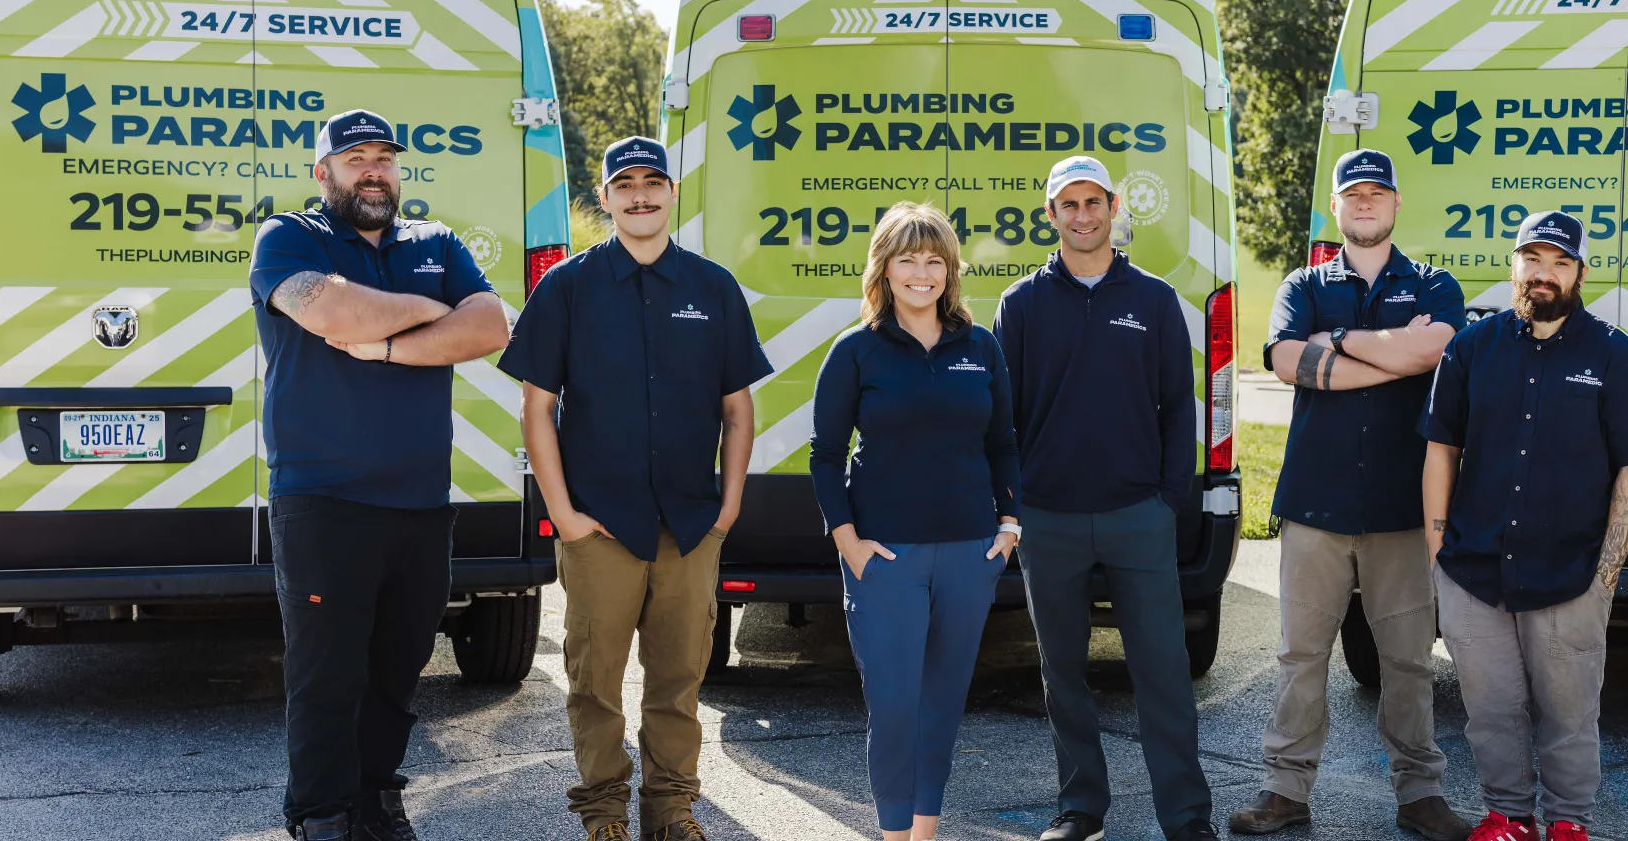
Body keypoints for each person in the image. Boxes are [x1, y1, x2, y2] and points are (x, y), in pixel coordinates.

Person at [497, 136, 770, 841]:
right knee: (594, 683)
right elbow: (537, 408)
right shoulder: (567, 287)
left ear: (673, 192)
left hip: (689, 523)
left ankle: (672, 810)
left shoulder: (712, 288)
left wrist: (729, 505)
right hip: (601, 527)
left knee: (679, 681)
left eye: (653, 182)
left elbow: (737, 410)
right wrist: (564, 514)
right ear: (605, 198)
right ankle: (604, 813)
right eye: (626, 185)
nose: (640, 195)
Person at [250, 109, 511, 841]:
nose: (373, 170)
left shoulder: (436, 241)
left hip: (421, 503)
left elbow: (491, 327)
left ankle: (375, 799)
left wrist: (390, 346)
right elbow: (334, 309)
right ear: (323, 172)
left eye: (384, 159)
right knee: (326, 674)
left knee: (399, 671)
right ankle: (322, 815)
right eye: (355, 157)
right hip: (322, 499)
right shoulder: (288, 239)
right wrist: (433, 313)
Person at [1228, 149, 1469, 841]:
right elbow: (1284, 361)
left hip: (1402, 507)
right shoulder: (1303, 284)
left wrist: (1336, 348)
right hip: (1316, 505)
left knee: (1409, 661)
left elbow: (1436, 351)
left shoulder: (1433, 284)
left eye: (1377, 193)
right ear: (1336, 207)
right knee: (1300, 655)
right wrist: (1388, 359)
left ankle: (1420, 795)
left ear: (1396, 204)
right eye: (1352, 194)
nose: (1365, 203)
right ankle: (1284, 791)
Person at [1421, 211, 1628, 841]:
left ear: (1580, 274)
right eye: (1533, 259)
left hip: (1572, 573)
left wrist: (1605, 578)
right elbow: (1440, 450)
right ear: (1514, 265)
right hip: (1473, 571)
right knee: (1490, 712)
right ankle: (1507, 817)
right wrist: (1437, 555)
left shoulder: (1618, 358)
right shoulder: (1471, 348)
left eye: (1561, 262)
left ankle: (1568, 823)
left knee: (1569, 714)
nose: (1545, 274)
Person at [993, 155, 1219, 841]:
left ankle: (1185, 816)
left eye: (1094, 202)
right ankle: (1081, 809)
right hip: (1050, 519)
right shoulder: (1022, 304)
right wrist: (1016, 504)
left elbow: (1180, 408)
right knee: (1063, 673)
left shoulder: (1152, 299)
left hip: (1136, 517)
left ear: (1114, 207)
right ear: (1050, 214)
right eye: (1070, 204)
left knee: (1163, 673)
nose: (1083, 215)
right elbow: (1002, 416)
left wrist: (1167, 499)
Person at [809, 201, 1021, 841]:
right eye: (908, 260)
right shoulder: (856, 352)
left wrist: (1009, 528)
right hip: (886, 559)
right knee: (896, 711)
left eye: (935, 260)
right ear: (885, 268)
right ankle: (893, 834)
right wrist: (849, 542)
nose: (922, 273)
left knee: (941, 710)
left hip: (970, 554)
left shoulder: (979, 346)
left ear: (951, 270)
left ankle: (925, 834)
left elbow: (1003, 442)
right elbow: (824, 455)